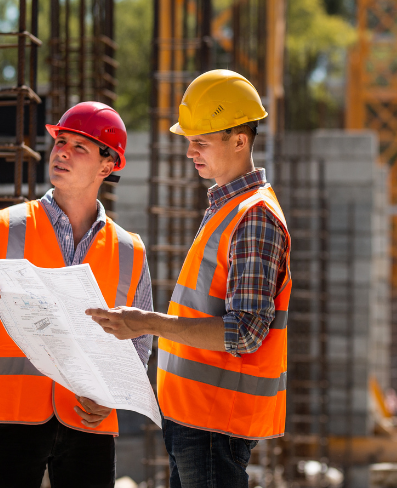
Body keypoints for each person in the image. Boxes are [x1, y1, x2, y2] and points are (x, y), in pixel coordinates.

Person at [0, 101, 153, 488]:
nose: (62, 151)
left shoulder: (129, 250)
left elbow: (139, 343)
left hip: (90, 423)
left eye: (79, 146)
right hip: (11, 417)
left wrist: (113, 396)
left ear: (107, 164)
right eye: (60, 141)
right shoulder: (4, 228)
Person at [88, 70, 291, 488]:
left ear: (239, 139)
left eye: (201, 141)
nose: (190, 152)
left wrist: (146, 323)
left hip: (216, 422)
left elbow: (246, 331)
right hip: (195, 418)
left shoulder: (253, 216)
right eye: (189, 141)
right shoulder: (227, 208)